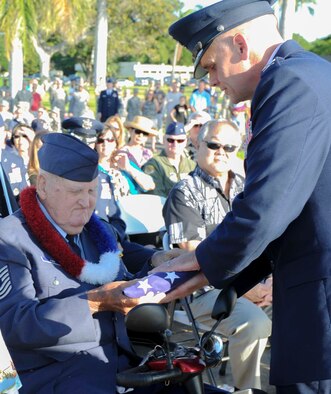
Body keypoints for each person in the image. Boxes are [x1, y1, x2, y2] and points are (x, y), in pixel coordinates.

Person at [150, 1, 331, 393]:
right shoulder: (315, 74)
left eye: (212, 65)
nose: (211, 80)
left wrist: (202, 262)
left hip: (320, 303)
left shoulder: (288, 84)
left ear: (240, 45)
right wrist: (232, 277)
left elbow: (268, 209)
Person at [0, 132, 203, 394]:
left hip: (124, 362)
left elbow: (124, 254)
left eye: (91, 191)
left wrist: (155, 259)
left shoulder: (96, 229)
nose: (86, 202)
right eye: (75, 191)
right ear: (42, 185)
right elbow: (16, 325)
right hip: (57, 376)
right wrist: (95, 301)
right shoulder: (10, 239)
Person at [163, 119, 271, 390]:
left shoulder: (248, 188)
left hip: (254, 283)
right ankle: (247, 389)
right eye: (213, 144)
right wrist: (247, 289)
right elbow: (194, 255)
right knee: (254, 323)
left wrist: (270, 283)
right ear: (197, 145)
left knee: (308, 302)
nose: (222, 151)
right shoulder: (183, 193)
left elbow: (267, 240)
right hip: (204, 291)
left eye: (230, 147)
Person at [142, 122, 195, 198]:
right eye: (171, 140)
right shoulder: (154, 164)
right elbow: (155, 195)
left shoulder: (192, 166)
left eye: (180, 140)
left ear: (185, 142)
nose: (175, 144)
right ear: (164, 140)